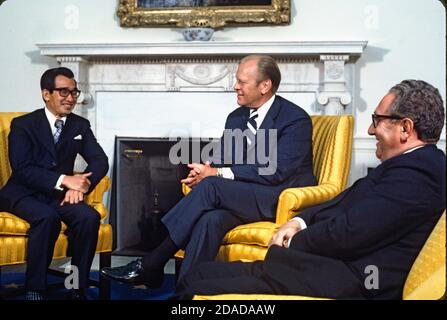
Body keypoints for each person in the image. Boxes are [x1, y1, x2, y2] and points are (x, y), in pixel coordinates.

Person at [174, 79, 446, 300]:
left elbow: (350, 233)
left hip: (349, 281)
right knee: (199, 274)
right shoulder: (410, 165)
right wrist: (299, 220)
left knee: (196, 284)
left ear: (405, 128)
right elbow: (344, 201)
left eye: (377, 119)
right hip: (327, 268)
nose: (370, 129)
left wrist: (291, 242)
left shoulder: (417, 175)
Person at [101, 55, 317, 286]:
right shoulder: (237, 117)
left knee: (211, 186)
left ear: (265, 86)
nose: (235, 87)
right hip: (244, 197)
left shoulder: (294, 120)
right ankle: (188, 291)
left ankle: (152, 263)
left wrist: (215, 175)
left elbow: (276, 172)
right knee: (211, 220)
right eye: (237, 80)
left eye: (242, 82)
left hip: (280, 198)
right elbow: (222, 158)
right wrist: (204, 170)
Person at [0, 67, 109, 300]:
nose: (70, 98)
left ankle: (76, 287)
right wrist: (65, 180)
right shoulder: (23, 125)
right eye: (63, 92)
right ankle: (34, 288)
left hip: (59, 195)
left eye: (74, 92)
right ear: (46, 94)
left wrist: (82, 185)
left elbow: (100, 161)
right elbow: (23, 168)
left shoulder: (79, 125)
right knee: (46, 218)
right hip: (22, 193)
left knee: (88, 217)